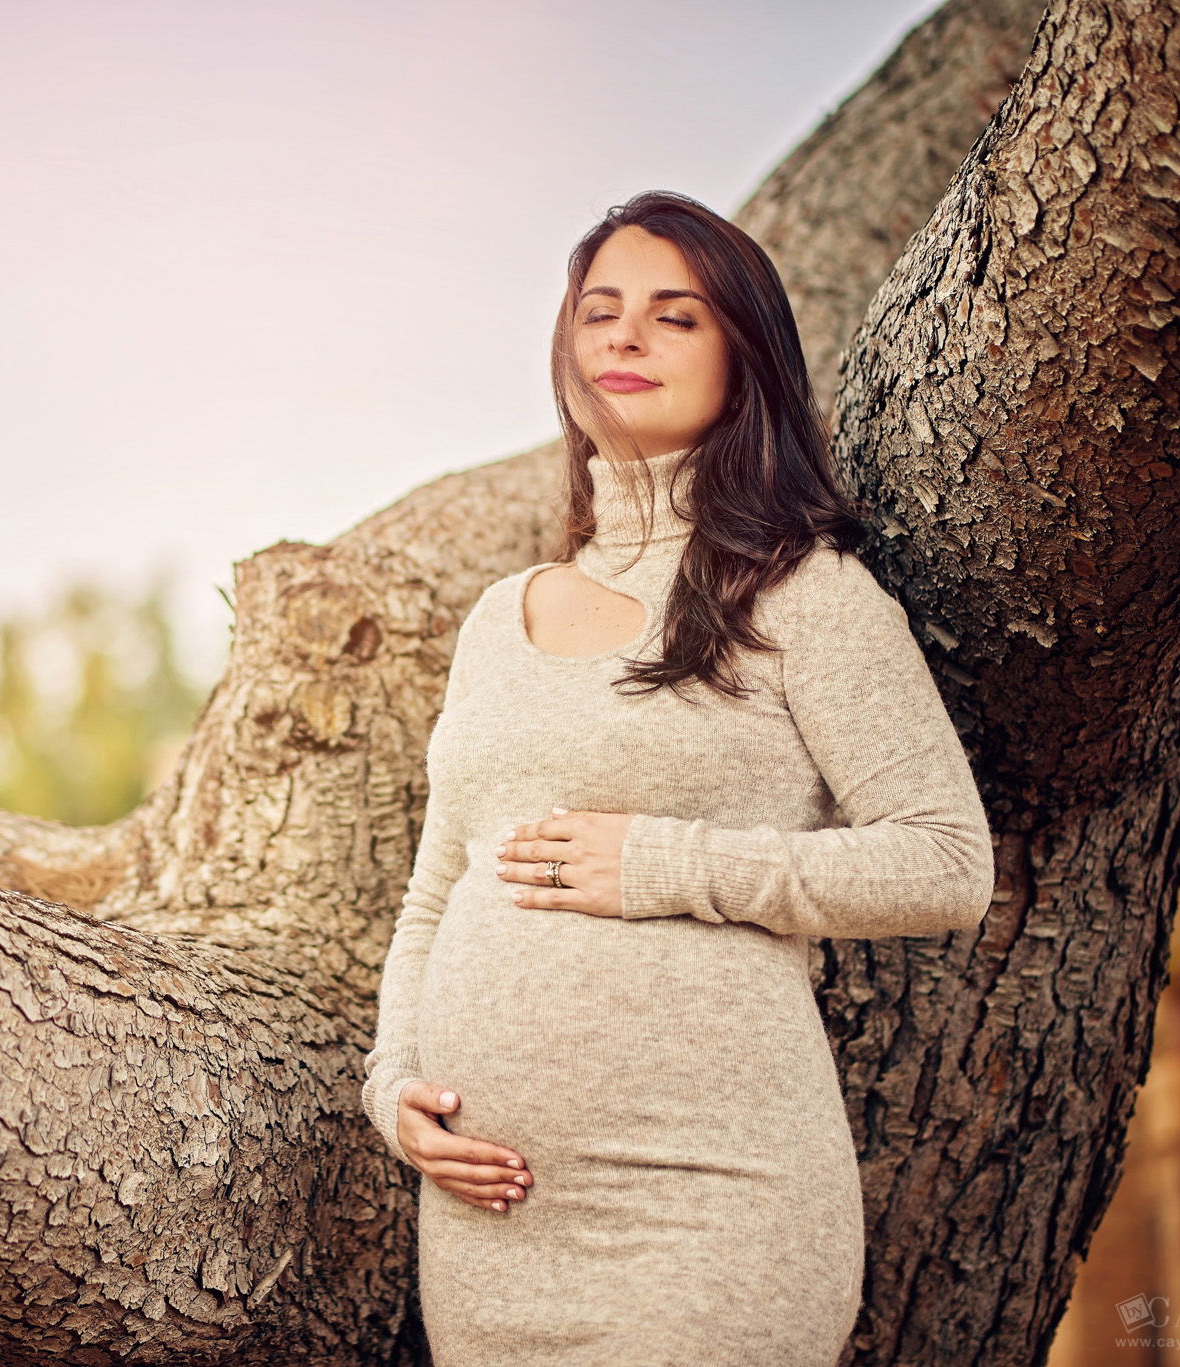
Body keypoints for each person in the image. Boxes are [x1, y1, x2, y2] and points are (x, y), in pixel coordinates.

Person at [359, 190, 995, 1366]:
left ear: (742, 356)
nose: (623, 337)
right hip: (494, 1226)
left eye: (672, 315)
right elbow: (436, 889)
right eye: (597, 311)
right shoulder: (499, 619)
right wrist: (390, 1084)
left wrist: (669, 863)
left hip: (713, 1203)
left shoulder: (804, 595)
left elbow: (944, 861)